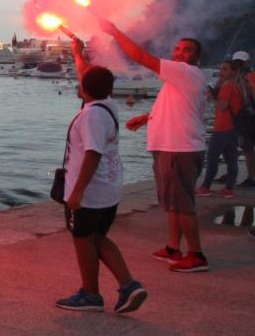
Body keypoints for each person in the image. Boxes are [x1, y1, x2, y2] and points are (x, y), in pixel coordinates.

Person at [100, 19, 209, 272]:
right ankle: (173, 247)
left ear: (197, 57)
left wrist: (115, 31)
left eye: (187, 50)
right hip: (172, 148)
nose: (180, 53)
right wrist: (148, 117)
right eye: (177, 49)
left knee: (182, 205)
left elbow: (140, 56)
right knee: (173, 203)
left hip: (179, 149)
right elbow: (180, 109)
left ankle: (196, 255)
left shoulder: (185, 72)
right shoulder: (179, 79)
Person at [55, 39, 147, 313]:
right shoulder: (108, 105)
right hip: (109, 190)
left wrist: (77, 192)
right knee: (97, 238)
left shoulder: (91, 116)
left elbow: (93, 154)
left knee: (84, 241)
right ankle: (129, 285)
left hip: (90, 194)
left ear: (83, 89)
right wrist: (77, 53)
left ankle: (91, 295)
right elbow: (88, 75)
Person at [196, 60, 241, 198]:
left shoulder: (227, 87)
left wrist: (212, 97)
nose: (221, 72)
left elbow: (222, 106)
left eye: (225, 69)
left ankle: (206, 187)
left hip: (222, 128)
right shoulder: (237, 86)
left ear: (233, 71)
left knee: (212, 158)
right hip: (233, 128)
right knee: (231, 159)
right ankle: (229, 189)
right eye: (221, 69)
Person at [232, 51, 255, 188]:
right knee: (244, 146)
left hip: (248, 115)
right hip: (242, 115)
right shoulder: (237, 77)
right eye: (237, 62)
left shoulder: (250, 76)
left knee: (247, 147)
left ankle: (251, 178)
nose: (239, 64)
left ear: (247, 62)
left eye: (240, 62)